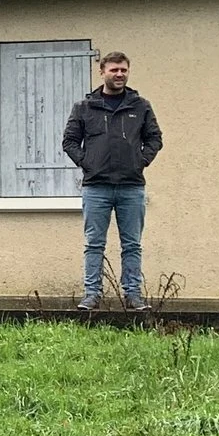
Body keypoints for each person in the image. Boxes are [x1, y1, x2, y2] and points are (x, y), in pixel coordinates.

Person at [62, 50, 162, 310]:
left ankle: (133, 295)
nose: (119, 74)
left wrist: (140, 161)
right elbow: (69, 141)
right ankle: (92, 295)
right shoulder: (84, 108)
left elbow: (155, 139)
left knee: (132, 245)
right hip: (96, 187)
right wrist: (87, 162)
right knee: (94, 244)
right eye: (114, 70)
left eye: (123, 70)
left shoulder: (141, 106)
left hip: (131, 186)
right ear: (102, 72)